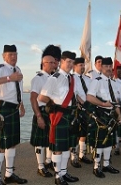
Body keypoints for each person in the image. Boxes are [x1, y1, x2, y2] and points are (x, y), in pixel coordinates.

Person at [0, 44, 27, 185]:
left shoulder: (18, 70)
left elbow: (17, 90)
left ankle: (9, 174)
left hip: (14, 109)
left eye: (15, 54)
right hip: (3, 110)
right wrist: (9, 78)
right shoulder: (0, 69)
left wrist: (21, 105)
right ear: (4, 56)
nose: (13, 57)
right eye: (10, 54)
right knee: (0, 145)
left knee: (12, 144)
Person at [38, 51, 81, 185]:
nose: (70, 64)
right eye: (68, 61)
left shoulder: (72, 78)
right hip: (59, 115)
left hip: (70, 114)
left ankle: (64, 172)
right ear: (61, 62)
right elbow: (42, 97)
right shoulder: (55, 78)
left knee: (67, 145)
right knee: (58, 147)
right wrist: (54, 102)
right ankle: (58, 177)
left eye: (72, 62)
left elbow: (76, 96)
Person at [86, 57, 121, 178]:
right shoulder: (96, 81)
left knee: (108, 142)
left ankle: (106, 164)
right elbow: (89, 97)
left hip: (111, 114)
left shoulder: (114, 82)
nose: (108, 69)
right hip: (100, 113)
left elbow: (115, 100)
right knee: (100, 143)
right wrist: (102, 104)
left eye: (109, 66)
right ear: (101, 68)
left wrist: (119, 114)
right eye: (105, 66)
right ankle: (96, 167)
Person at [30, 50, 57, 178]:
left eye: (54, 62)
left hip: (51, 111)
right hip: (42, 111)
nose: (53, 64)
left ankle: (48, 162)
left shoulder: (52, 78)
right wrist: (39, 116)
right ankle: (40, 167)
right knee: (40, 141)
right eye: (51, 62)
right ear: (43, 63)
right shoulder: (38, 78)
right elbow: (33, 98)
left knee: (49, 139)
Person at [70, 57, 93, 168]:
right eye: (80, 65)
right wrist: (82, 103)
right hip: (78, 108)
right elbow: (74, 94)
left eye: (83, 65)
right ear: (74, 66)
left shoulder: (88, 79)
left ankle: (82, 155)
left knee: (84, 132)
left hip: (88, 107)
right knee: (75, 133)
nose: (83, 67)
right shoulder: (71, 78)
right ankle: (73, 157)